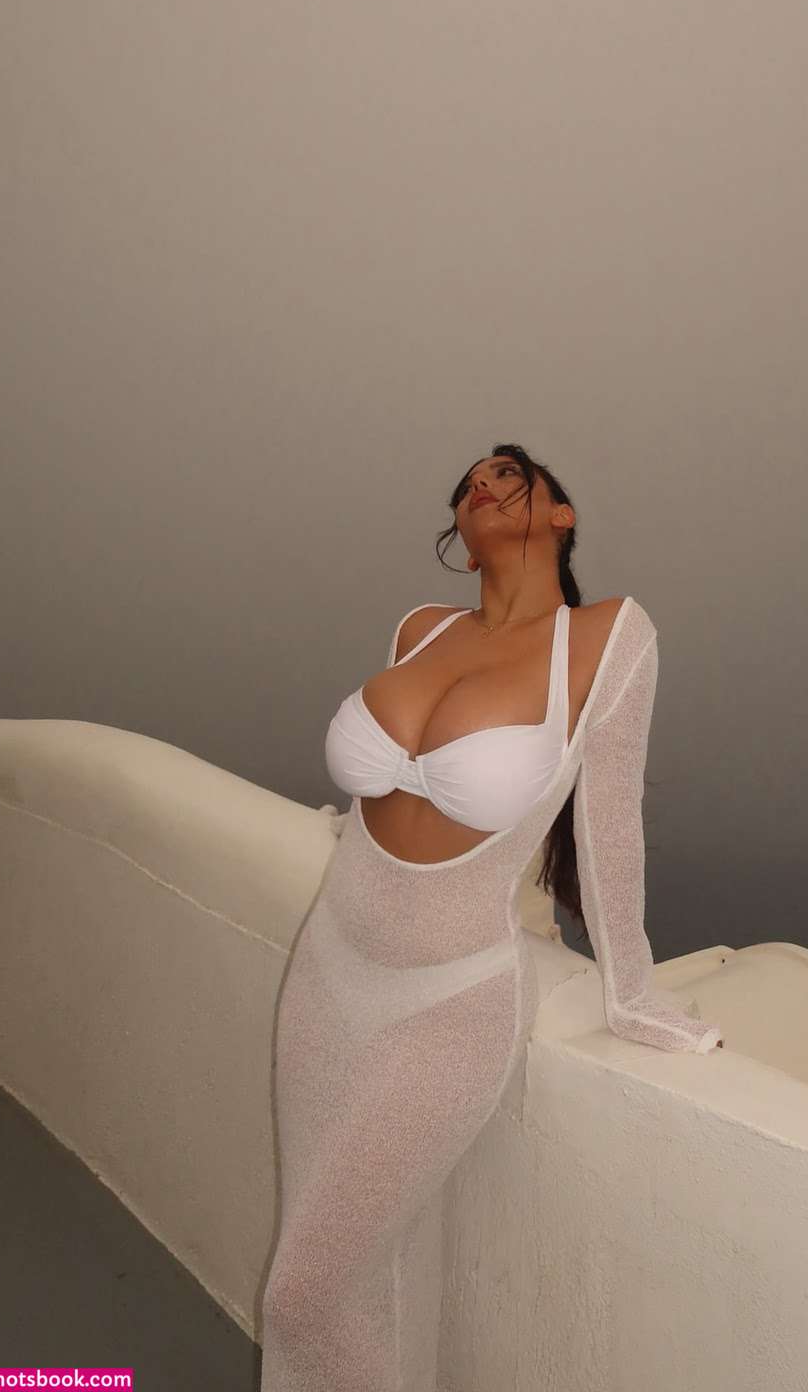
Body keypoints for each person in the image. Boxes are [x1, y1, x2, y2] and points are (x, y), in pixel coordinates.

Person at [259, 441, 722, 1391]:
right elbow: (380, 803)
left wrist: (631, 994)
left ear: (560, 515)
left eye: (509, 473)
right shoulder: (419, 629)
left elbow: (609, 825)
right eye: (469, 484)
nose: (484, 485)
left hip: (447, 1008)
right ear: (462, 542)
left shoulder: (606, 635)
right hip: (326, 973)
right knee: (356, 1279)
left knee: (303, 1293)